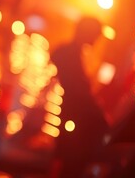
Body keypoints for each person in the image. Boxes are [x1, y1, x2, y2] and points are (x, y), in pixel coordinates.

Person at [50, 16, 109, 177]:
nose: (96, 40)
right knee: (71, 163)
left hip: (73, 118)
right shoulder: (69, 54)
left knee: (68, 162)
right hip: (75, 119)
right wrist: (98, 113)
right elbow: (78, 91)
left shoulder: (75, 54)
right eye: (95, 34)